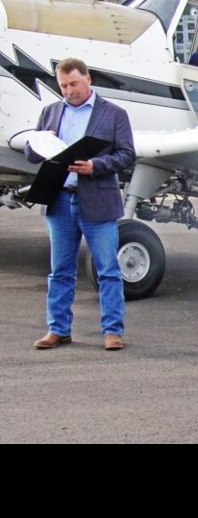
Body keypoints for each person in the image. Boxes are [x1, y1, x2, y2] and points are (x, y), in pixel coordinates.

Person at [25, 58, 136, 351]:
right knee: (59, 270)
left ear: (88, 79)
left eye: (73, 84)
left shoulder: (114, 114)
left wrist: (95, 165)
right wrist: (39, 142)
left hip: (97, 200)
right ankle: (58, 330)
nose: (68, 91)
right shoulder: (50, 112)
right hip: (60, 201)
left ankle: (113, 331)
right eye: (63, 86)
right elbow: (30, 154)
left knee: (108, 269)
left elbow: (127, 155)